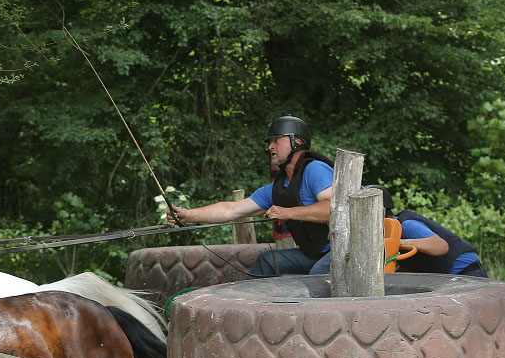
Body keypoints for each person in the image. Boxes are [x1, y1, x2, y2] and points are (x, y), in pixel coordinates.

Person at [167, 115, 334, 277]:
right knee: (267, 261)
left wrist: (287, 213)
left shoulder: (315, 169)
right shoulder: (276, 189)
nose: (270, 146)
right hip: (314, 255)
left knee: (317, 275)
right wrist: (188, 215)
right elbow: (230, 210)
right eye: (269, 142)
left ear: (297, 142)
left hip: (341, 251)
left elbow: (332, 209)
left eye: (276, 140)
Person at [366, 185, 488, 277]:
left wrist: (399, 242)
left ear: (381, 212)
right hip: (448, 275)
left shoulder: (407, 225)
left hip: (467, 272)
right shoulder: (386, 233)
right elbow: (412, 266)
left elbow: (441, 246)